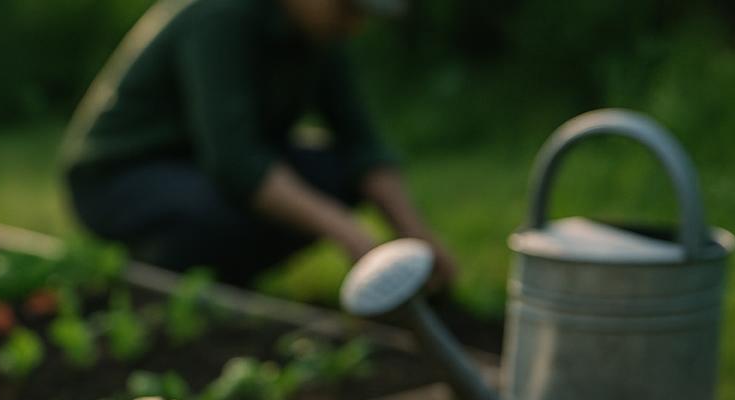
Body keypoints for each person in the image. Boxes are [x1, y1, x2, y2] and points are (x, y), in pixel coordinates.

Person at [61, 0, 457, 288]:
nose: (354, 25)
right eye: (347, 9)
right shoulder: (222, 16)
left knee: (337, 174)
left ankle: (227, 274)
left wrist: (415, 237)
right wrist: (349, 234)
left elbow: (361, 143)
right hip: (120, 177)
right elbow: (235, 161)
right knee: (216, 213)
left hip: (201, 167)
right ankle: (169, 277)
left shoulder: (318, 35)